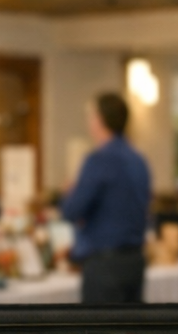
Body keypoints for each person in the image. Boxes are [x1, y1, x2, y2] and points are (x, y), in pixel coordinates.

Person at [61, 92, 151, 304]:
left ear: (99, 119)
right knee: (131, 324)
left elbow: (72, 210)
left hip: (105, 264)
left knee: (103, 326)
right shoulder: (139, 160)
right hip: (135, 260)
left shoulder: (99, 160)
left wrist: (70, 192)